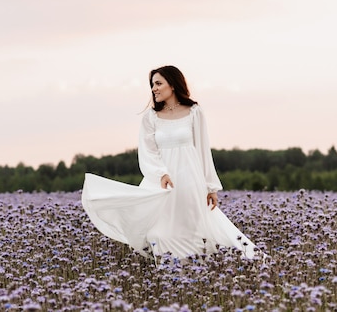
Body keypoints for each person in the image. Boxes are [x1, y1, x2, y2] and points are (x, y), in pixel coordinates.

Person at [82, 65, 265, 261]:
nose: (154, 89)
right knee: (159, 233)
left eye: (159, 83)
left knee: (192, 228)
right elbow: (147, 151)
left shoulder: (194, 112)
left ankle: (197, 274)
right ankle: (169, 272)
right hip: (162, 183)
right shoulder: (150, 117)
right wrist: (161, 173)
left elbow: (203, 151)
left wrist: (211, 186)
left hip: (190, 179)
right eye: (152, 85)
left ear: (173, 84)